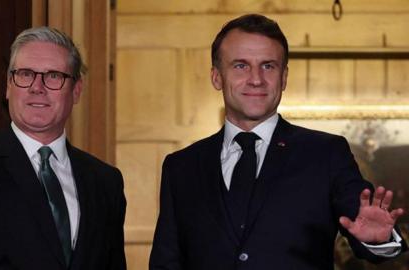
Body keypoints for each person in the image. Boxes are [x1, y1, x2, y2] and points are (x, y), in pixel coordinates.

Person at [149, 14, 407, 270]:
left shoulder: (326, 154)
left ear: (283, 77)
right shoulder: (181, 166)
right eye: (240, 65)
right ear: (216, 77)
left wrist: (380, 240)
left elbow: (367, 228)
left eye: (268, 66)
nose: (256, 79)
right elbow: (166, 261)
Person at [0, 27, 126, 270]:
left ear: (76, 90)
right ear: (8, 85)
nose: (37, 87)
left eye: (53, 76)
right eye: (25, 74)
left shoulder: (106, 181)